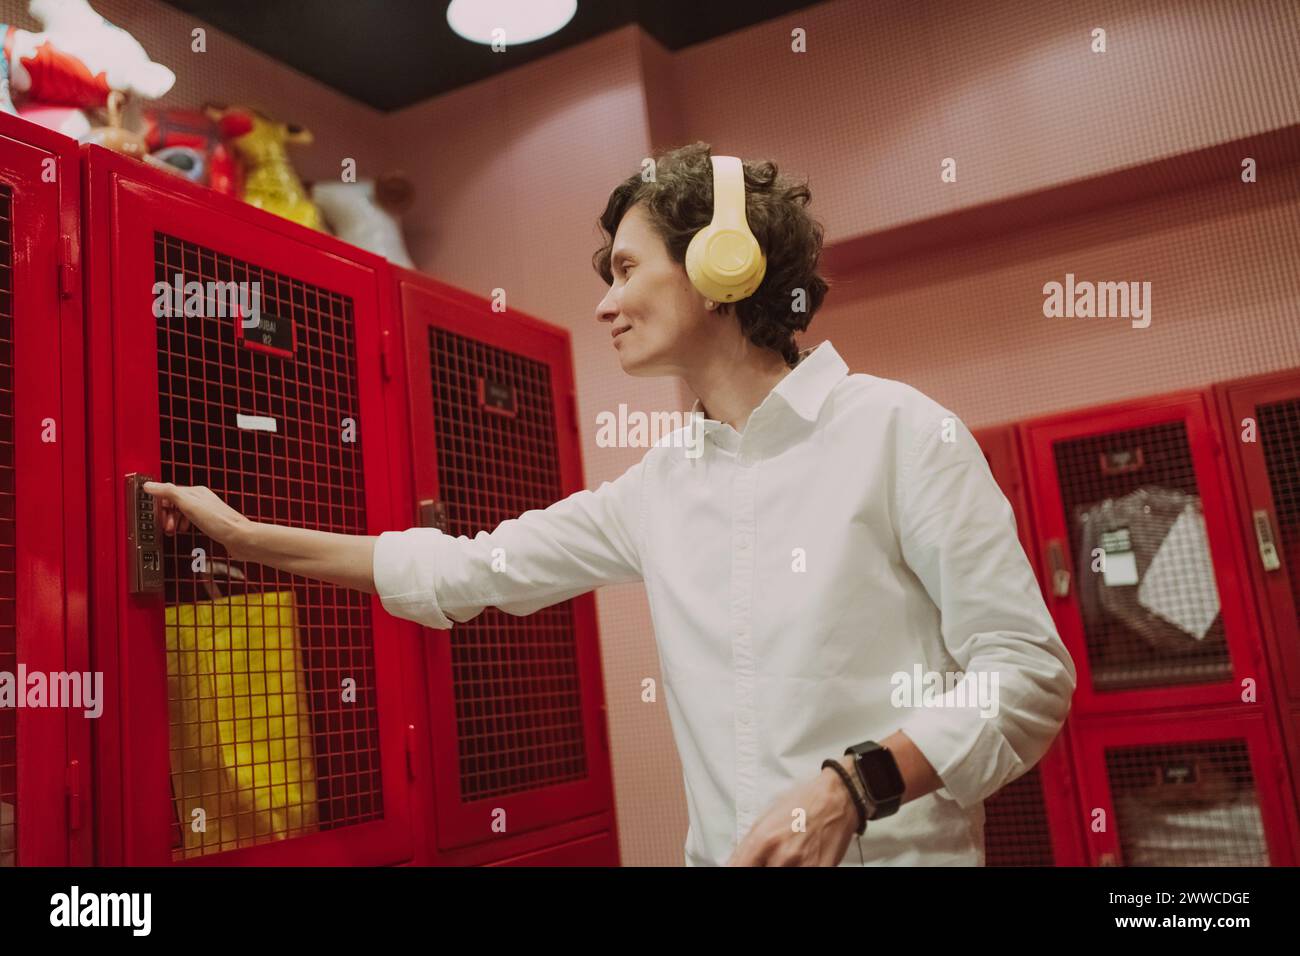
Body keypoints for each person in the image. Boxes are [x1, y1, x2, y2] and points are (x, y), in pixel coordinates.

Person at [144, 142, 1076, 866]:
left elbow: (1028, 674)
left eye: (627, 271)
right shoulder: (662, 487)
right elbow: (462, 570)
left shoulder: (902, 434)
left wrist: (850, 787)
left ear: (723, 262)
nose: (607, 304)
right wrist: (243, 535)